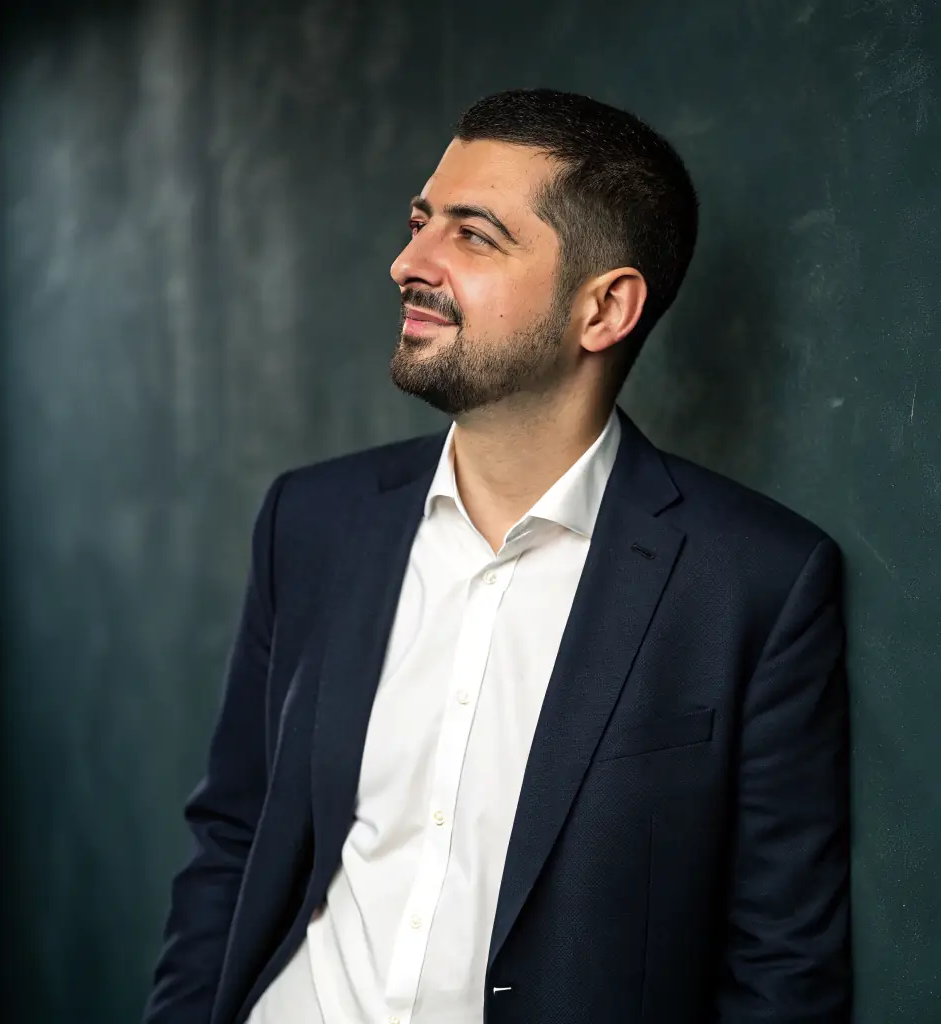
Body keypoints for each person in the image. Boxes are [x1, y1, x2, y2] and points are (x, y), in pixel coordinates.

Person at [143, 88, 851, 1024]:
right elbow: (234, 833)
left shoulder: (757, 579)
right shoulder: (311, 521)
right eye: (420, 220)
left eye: (472, 235)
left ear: (605, 308)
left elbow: (782, 964)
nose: (408, 263)